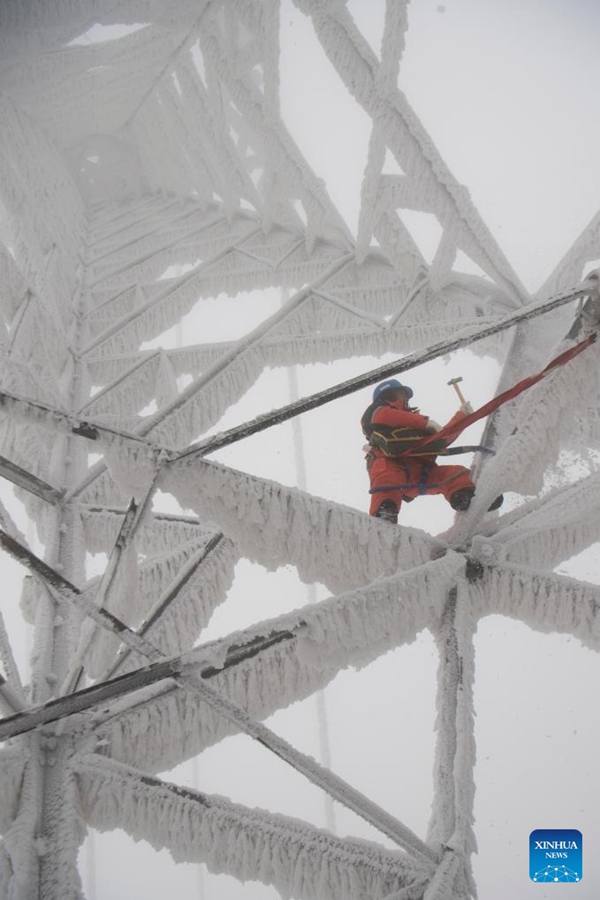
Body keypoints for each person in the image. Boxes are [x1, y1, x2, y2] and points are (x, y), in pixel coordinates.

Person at [362, 378, 501, 523]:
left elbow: (441, 438)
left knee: (455, 473)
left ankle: (465, 496)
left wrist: (462, 417)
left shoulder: (415, 424)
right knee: (387, 481)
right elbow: (384, 415)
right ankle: (384, 511)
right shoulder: (377, 413)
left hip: (421, 471)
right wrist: (425, 423)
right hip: (390, 466)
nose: (402, 399)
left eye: (403, 395)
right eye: (397, 395)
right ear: (386, 397)